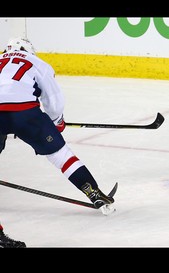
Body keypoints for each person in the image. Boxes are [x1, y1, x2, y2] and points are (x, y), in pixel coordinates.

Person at [0, 37, 115, 215]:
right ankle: (94, 193)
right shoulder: (38, 63)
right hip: (26, 114)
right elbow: (53, 101)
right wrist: (56, 122)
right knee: (61, 156)